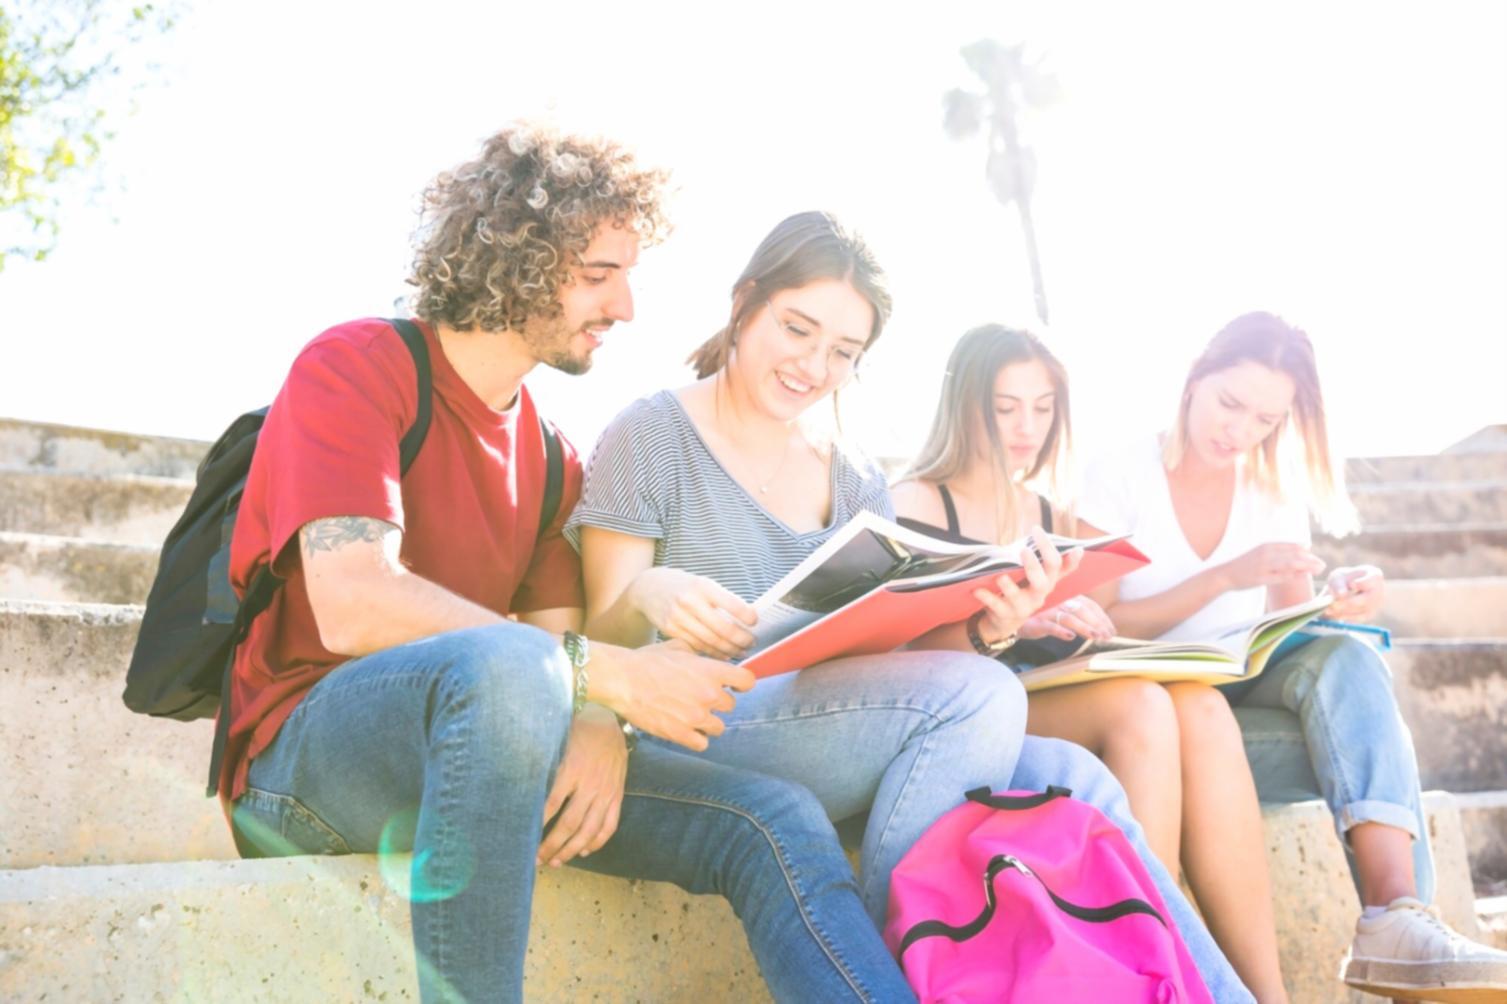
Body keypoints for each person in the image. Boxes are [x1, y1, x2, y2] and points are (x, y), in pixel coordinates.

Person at [221, 125, 932, 1003]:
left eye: (627, 276)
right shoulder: (357, 366)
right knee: (509, 665)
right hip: (304, 773)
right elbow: (353, 600)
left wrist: (599, 722)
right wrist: (607, 677)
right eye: (599, 275)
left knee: (770, 818)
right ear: (514, 258)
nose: (625, 306)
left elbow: (568, 658)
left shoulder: (553, 459)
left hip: (488, 755)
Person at [569, 212, 1254, 1002]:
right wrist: (649, 591)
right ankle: (923, 976)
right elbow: (603, 635)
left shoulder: (852, 473)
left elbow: (893, 674)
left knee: (1073, 774)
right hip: (696, 720)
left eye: (842, 352)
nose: (813, 366)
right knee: (985, 696)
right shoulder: (653, 431)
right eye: (796, 329)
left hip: (822, 730)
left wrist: (989, 626)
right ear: (744, 302)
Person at [1074, 311, 1507, 1002]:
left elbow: (1287, 636)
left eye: (1265, 420)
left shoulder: (1271, 488)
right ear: (1194, 379)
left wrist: (1338, 603)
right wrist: (1223, 577)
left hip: (1245, 710)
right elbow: (1095, 628)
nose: (1239, 431)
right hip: (1160, 728)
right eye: (1230, 403)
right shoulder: (1118, 472)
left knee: (1347, 658)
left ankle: (1395, 918)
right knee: (1214, 710)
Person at [891, 325, 1289, 1001]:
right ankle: (1157, 954)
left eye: (1042, 407)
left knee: (1167, 701)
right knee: (1141, 706)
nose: (1027, 427)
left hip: (1032, 694)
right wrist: (1011, 622)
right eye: (1006, 406)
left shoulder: (1048, 513)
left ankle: (1185, 966)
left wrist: (1079, 625)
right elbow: (896, 655)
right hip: (953, 714)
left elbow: (1062, 637)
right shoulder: (916, 500)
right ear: (965, 405)